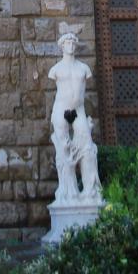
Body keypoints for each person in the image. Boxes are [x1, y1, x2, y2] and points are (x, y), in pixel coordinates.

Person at [48, 31, 103, 205]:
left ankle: (90, 190)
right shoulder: (55, 69)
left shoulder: (83, 68)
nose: (71, 45)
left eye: (73, 42)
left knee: (87, 146)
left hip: (79, 110)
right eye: (67, 42)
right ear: (62, 46)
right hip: (61, 109)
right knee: (63, 149)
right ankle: (68, 191)